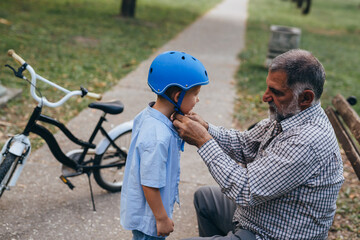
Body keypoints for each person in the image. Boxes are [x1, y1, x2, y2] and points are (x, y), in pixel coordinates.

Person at [173, 49, 344, 240]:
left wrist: (203, 141)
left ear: (305, 98)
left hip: (271, 234)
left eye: (276, 92)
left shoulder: (306, 141)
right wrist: (206, 128)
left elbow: (245, 190)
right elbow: (245, 144)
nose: (265, 97)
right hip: (261, 217)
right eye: (267, 88)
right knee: (205, 198)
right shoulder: (290, 115)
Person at [120, 51, 209, 239]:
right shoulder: (158, 136)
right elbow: (149, 183)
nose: (197, 100)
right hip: (150, 219)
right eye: (195, 94)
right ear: (177, 97)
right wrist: (162, 219)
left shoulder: (149, 115)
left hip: (148, 212)